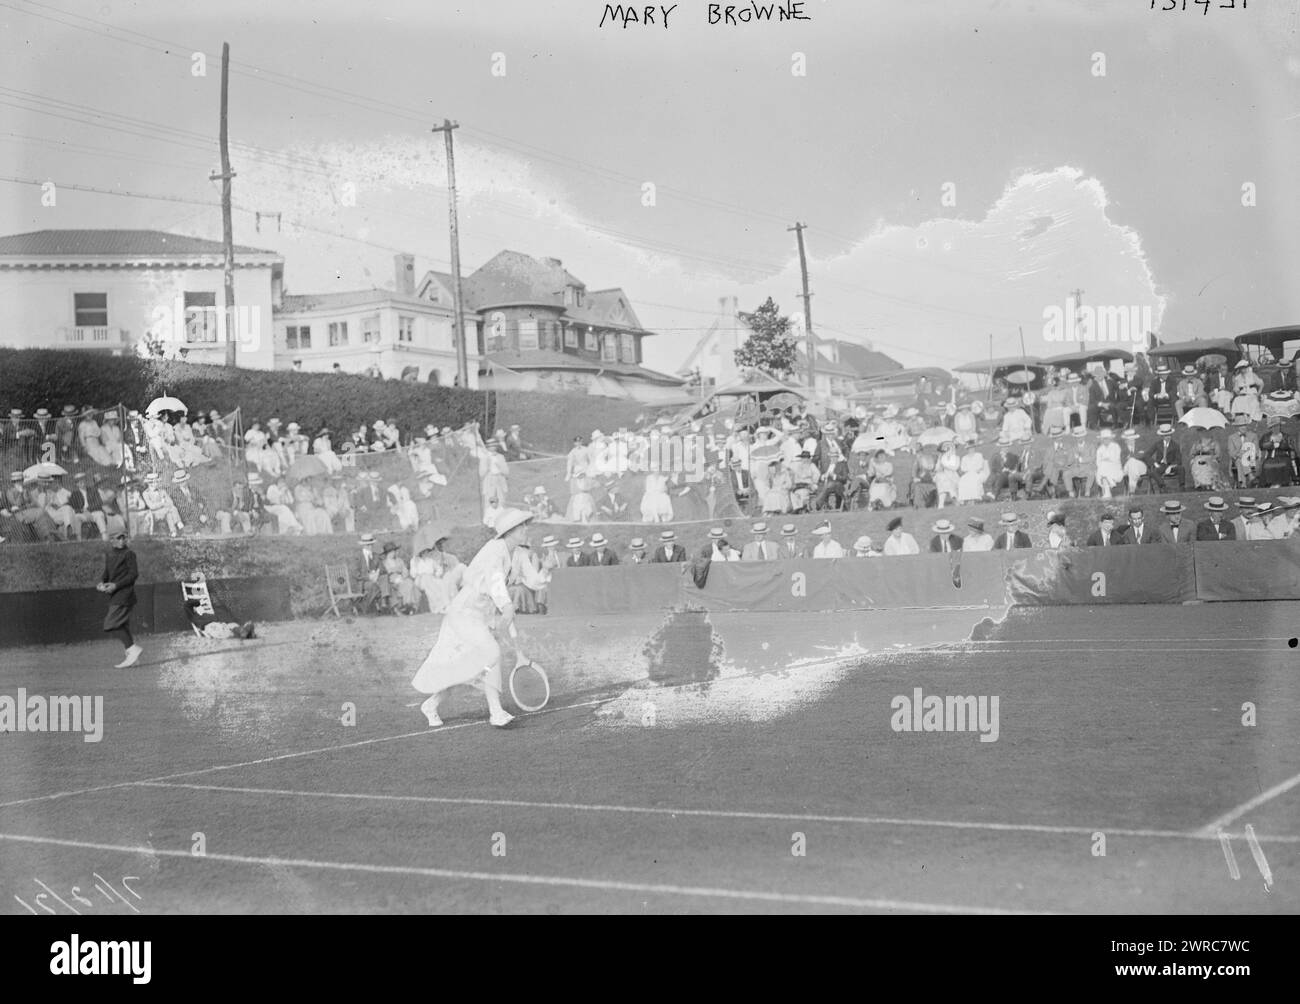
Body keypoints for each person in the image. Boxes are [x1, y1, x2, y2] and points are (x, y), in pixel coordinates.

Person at [411, 508, 538, 729]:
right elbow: (495, 580)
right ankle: (495, 711)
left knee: (465, 667)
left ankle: (431, 705)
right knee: (492, 653)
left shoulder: (514, 552)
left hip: (480, 617)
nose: (525, 529)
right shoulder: (495, 551)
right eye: (521, 526)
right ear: (510, 531)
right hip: (463, 614)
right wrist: (507, 606)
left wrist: (508, 607)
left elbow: (522, 580)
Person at [97, 529, 142, 667]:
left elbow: (133, 575)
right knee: (121, 625)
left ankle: (132, 649)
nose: (122, 541)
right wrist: (101, 582)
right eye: (118, 538)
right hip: (116, 595)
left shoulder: (129, 554)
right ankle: (132, 656)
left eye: (123, 538)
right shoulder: (110, 554)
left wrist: (116, 585)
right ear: (112, 540)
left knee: (110, 624)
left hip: (125, 595)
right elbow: (107, 572)